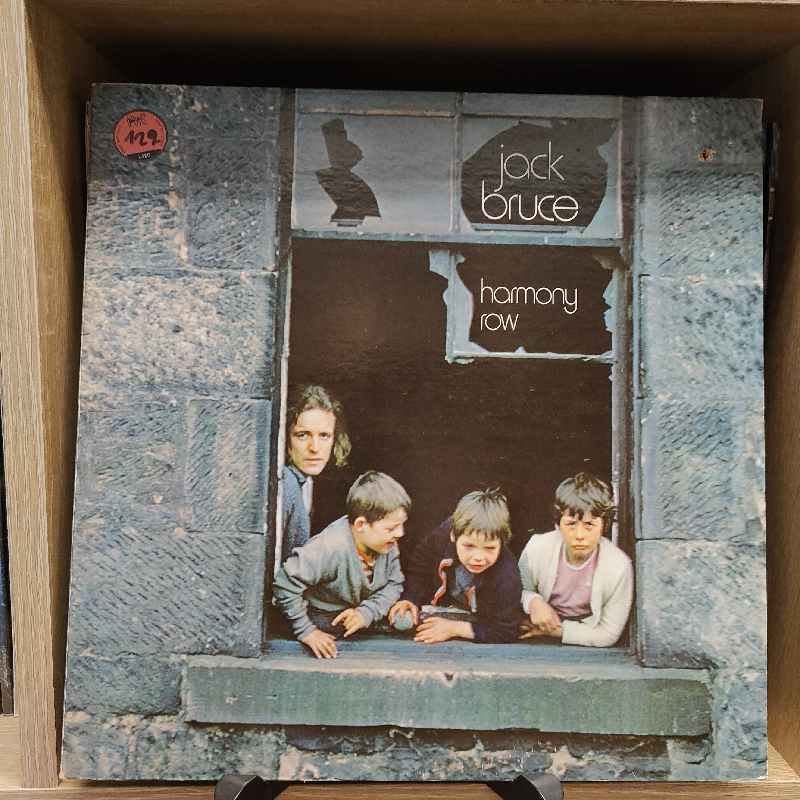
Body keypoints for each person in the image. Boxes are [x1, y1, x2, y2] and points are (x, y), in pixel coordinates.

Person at [273, 471, 410, 659]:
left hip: (354, 627)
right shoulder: (330, 547)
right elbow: (285, 583)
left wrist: (366, 612)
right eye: (391, 528)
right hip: (315, 623)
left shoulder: (387, 544)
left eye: (402, 525)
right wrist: (305, 631)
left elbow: (394, 584)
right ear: (361, 525)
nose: (400, 533)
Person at [389, 488, 522, 644]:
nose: (478, 557)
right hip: (442, 604)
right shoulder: (443, 534)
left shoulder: (507, 575)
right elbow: (420, 565)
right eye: (469, 546)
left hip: (480, 619)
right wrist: (410, 598)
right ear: (453, 535)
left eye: (489, 548)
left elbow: (507, 630)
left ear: (502, 543)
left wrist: (454, 629)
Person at [517, 472, 633, 648]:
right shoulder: (537, 548)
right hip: (534, 630)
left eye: (589, 525)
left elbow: (609, 633)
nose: (579, 535)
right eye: (571, 524)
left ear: (604, 525)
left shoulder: (618, 566)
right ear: (558, 524)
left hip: (582, 635)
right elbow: (517, 591)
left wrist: (558, 631)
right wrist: (534, 602)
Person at [280, 384, 351, 564]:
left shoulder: (306, 482)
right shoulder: (286, 482)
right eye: (302, 435)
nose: (314, 448)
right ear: (286, 438)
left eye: (324, 435)